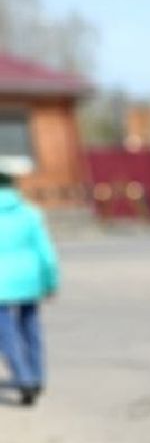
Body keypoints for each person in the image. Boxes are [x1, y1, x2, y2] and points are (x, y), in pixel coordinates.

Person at [0, 170, 59, 407]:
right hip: (28, 279)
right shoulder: (30, 214)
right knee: (31, 326)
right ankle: (37, 375)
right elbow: (46, 253)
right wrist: (51, 281)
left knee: (6, 332)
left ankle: (22, 377)